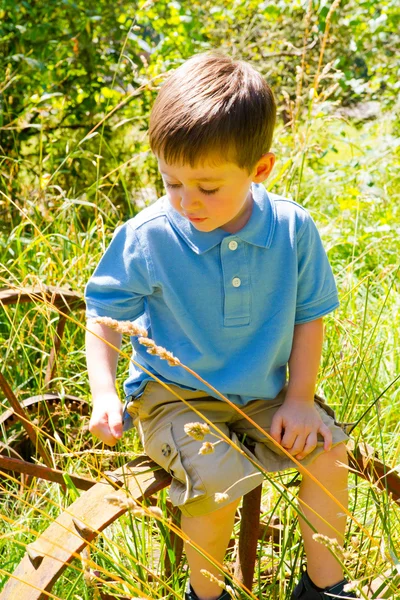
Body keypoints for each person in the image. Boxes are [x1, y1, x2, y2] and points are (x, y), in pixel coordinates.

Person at [85, 52, 356, 600]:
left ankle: (326, 588)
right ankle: (207, 595)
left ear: (260, 170)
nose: (187, 202)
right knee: (219, 478)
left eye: (207, 187)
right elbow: (104, 317)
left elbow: (309, 316)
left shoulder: (291, 229)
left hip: (263, 393)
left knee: (329, 453)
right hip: (174, 398)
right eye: (171, 182)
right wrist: (105, 393)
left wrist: (300, 399)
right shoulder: (149, 236)